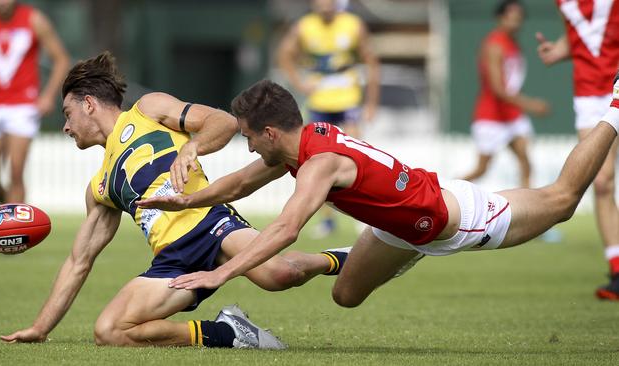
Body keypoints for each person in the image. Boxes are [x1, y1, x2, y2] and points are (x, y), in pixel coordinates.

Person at [137, 78, 619, 310]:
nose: (246, 144)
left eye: (246, 136)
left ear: (267, 132)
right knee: (345, 295)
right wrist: (183, 201)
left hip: (453, 218)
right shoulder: (294, 147)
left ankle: (614, 105)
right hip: (396, 227)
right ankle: (374, 252)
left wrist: (218, 275)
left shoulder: (318, 163)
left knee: (562, 200)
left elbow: (285, 229)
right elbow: (239, 184)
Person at [0, 53, 350, 348]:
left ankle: (341, 257)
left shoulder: (146, 111)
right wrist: (41, 327)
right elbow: (79, 261)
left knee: (279, 274)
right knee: (109, 331)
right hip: (173, 261)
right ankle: (227, 332)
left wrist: (191, 147)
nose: (66, 126)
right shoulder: (100, 188)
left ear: (88, 104)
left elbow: (223, 122)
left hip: (209, 223)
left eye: (67, 113)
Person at [536, 0, 619, 300]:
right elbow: (577, 35)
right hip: (588, 93)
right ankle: (617, 271)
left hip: (617, 80)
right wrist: (558, 50)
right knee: (601, 181)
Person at [277, 0, 380, 237]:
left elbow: (372, 62)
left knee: (358, 155)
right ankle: (327, 220)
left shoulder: (353, 24)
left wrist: (372, 102)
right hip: (319, 100)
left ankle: (365, 215)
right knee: (313, 159)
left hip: (348, 96)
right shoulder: (304, 26)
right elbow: (284, 54)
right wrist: (299, 83)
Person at [0, 0, 70, 203]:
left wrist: (48, 96)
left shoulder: (34, 19)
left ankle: (16, 229)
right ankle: (13, 211)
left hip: (23, 104)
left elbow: (61, 59)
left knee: (16, 172)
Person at [462, 0, 549, 188]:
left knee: (526, 165)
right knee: (481, 169)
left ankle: (525, 214)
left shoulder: (514, 44)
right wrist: (531, 105)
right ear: (500, 18)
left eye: (519, 18)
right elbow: (497, 89)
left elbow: (511, 83)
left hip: (512, 115)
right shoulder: (494, 45)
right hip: (491, 115)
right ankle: (442, 194)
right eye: (511, 17)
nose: (516, 22)